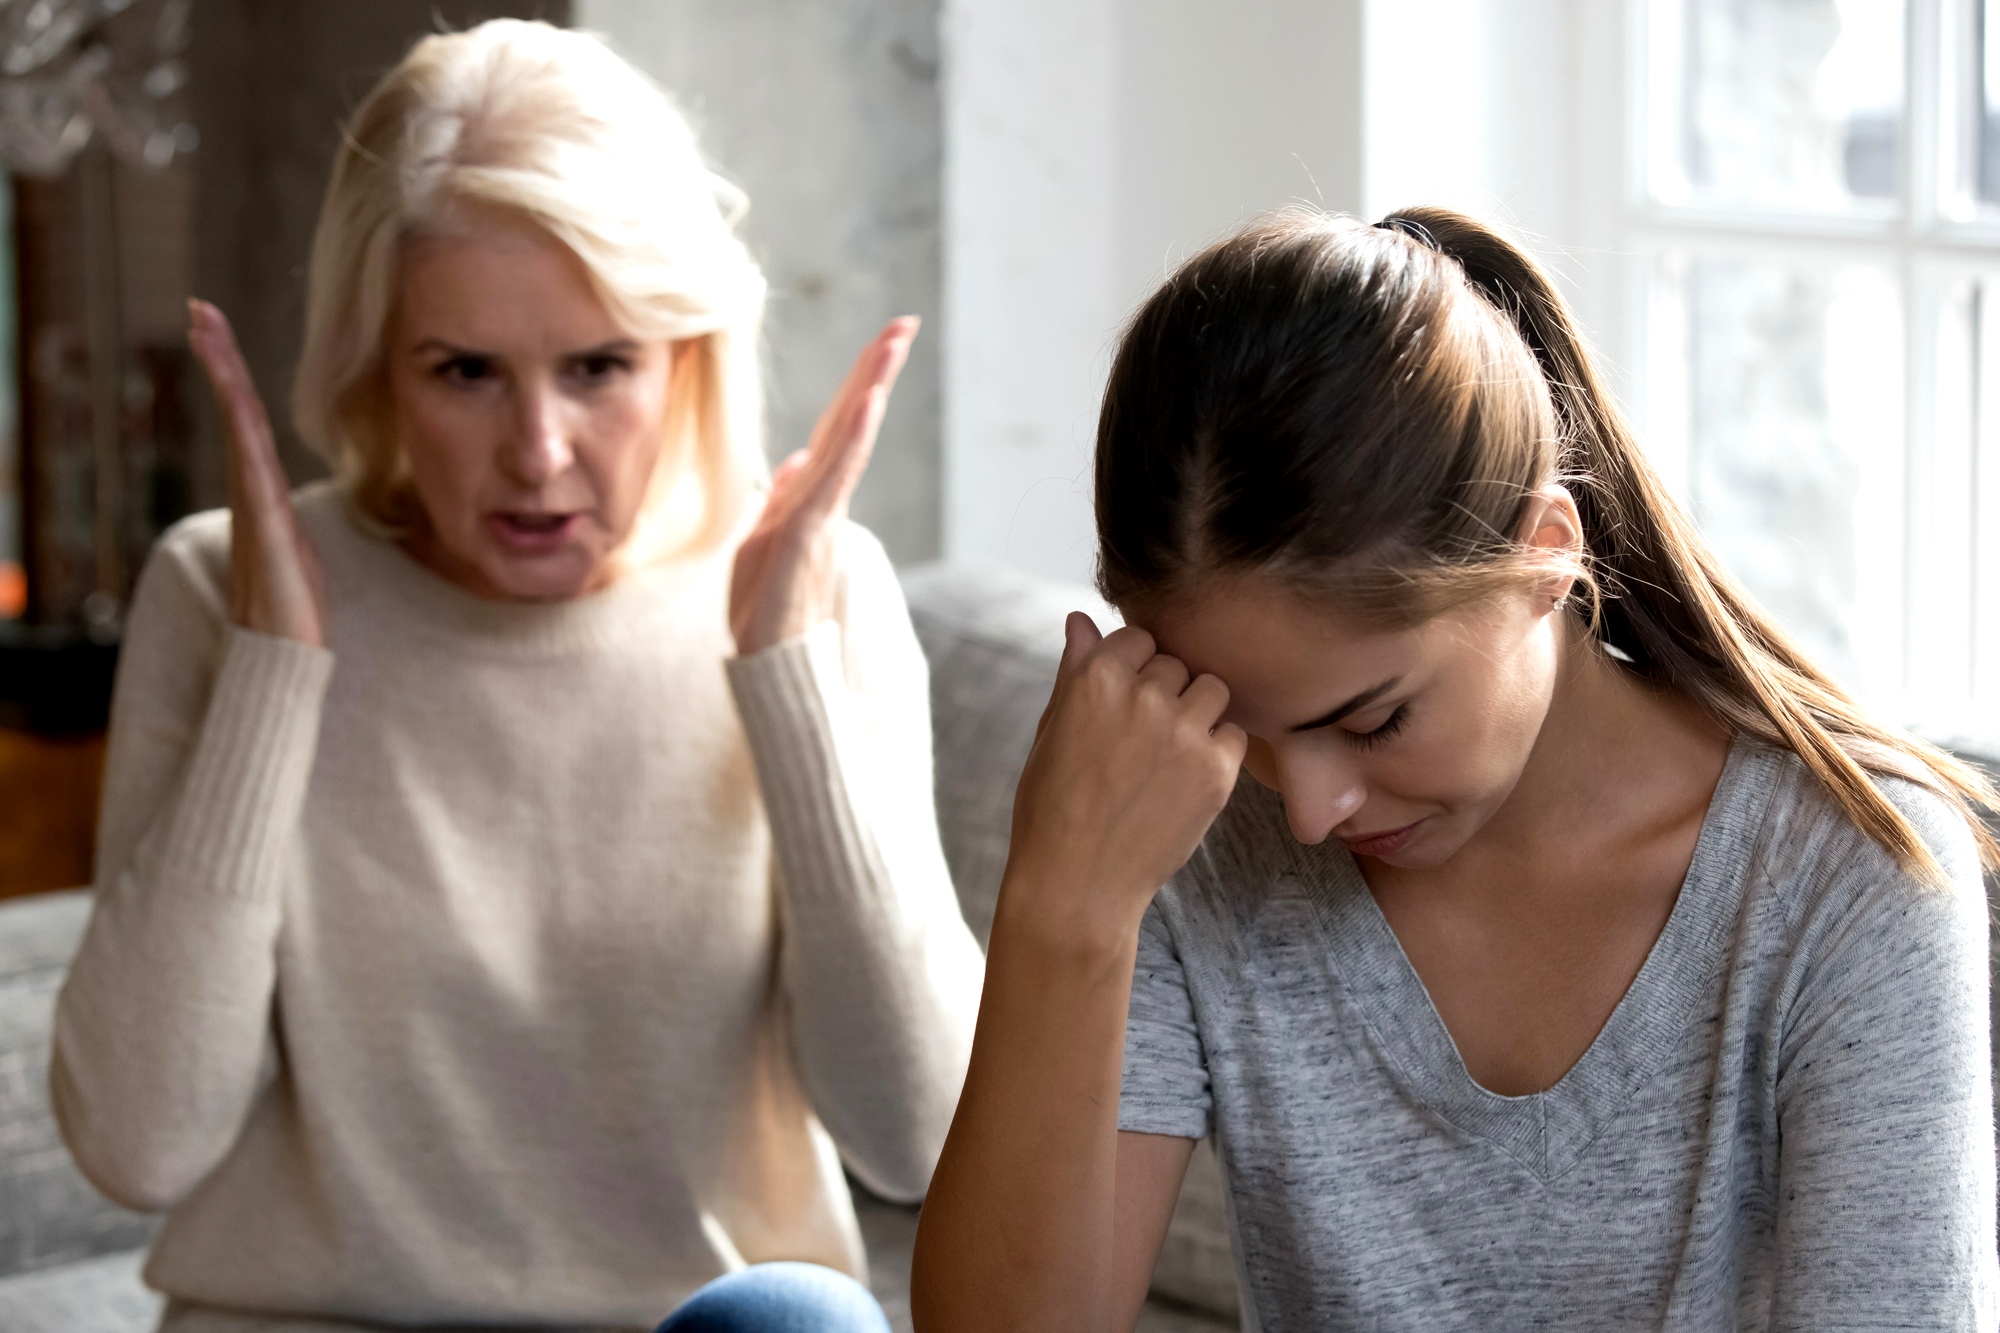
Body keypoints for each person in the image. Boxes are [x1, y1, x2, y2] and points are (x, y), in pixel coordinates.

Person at [912, 207, 2000, 1331]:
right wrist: (1062, 907)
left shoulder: (1853, 883)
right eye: (1239, 728)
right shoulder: (1184, 833)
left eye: (1372, 721)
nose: (1308, 809)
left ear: (1543, 555)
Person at [51, 20, 982, 1332]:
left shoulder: (815, 598)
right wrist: (277, 672)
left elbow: (922, 1140)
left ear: (685, 355)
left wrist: (787, 677)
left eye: (599, 367)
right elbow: (138, 1143)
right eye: (467, 372)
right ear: (378, 366)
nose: (539, 453)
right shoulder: (226, 590)